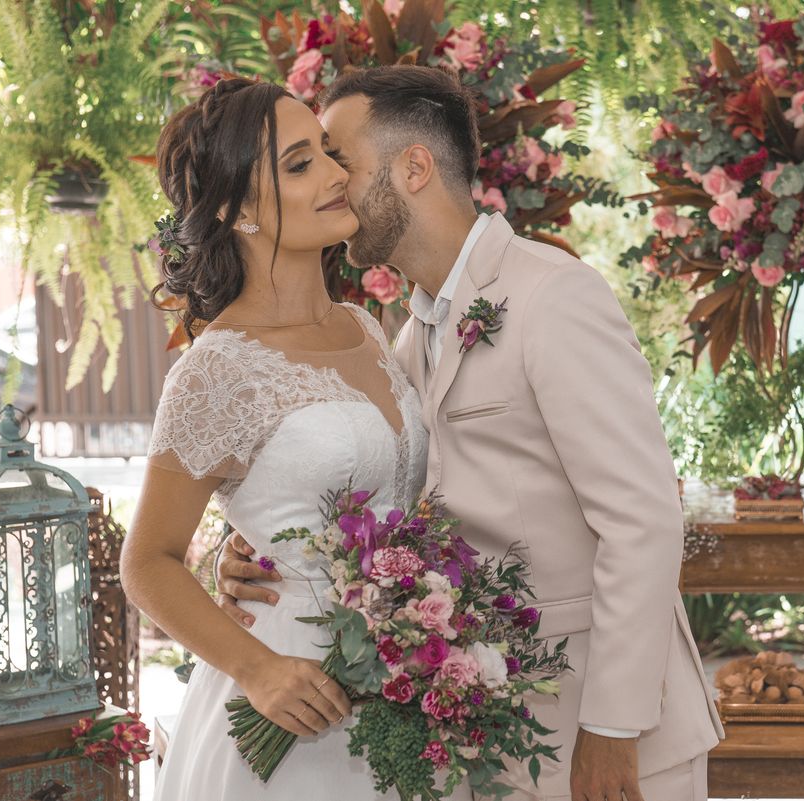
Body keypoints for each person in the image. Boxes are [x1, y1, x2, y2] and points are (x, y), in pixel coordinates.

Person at [216, 65, 723, 801]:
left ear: (413, 168)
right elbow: (386, 492)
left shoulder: (553, 296)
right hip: (486, 736)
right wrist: (256, 548)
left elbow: (643, 520)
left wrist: (613, 728)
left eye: (340, 158)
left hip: (608, 738)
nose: (330, 180)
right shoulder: (403, 334)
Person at [120, 76, 470, 800]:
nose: (336, 176)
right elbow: (146, 561)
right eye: (300, 163)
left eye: (329, 154)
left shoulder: (367, 327)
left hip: (403, 690)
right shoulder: (217, 367)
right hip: (288, 705)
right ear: (235, 209)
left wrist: (245, 543)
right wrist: (258, 669)